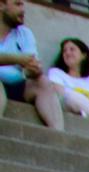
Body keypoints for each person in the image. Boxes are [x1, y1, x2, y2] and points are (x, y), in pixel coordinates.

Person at [0, 0, 63, 129]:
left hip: (18, 86)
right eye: (17, 4)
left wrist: (34, 70)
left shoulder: (25, 33)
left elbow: (29, 63)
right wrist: (18, 59)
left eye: (23, 5)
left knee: (43, 82)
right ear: (1, 5)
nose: (23, 10)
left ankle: (59, 135)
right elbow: (23, 59)